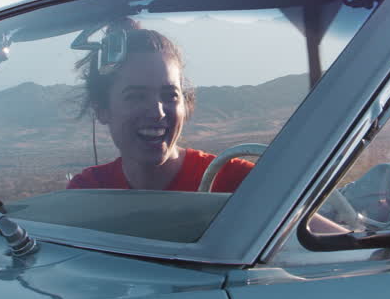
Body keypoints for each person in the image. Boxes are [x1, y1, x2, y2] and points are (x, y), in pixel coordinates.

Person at [66, 24, 254, 192]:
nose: (158, 112)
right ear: (102, 110)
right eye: (136, 97)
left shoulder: (241, 182)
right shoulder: (88, 191)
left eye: (170, 95)